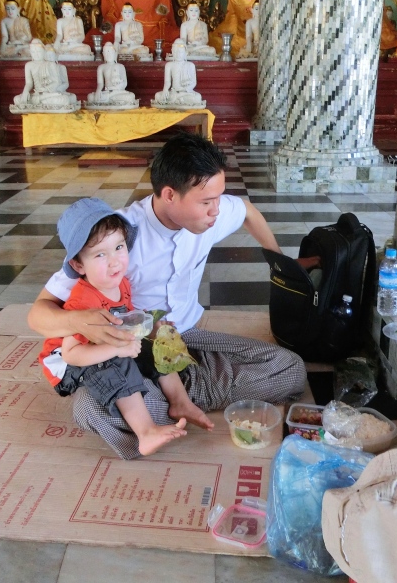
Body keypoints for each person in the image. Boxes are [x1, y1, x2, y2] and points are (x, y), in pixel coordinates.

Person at [28, 132, 307, 459]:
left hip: (185, 337)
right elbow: (38, 314)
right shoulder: (114, 238)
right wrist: (80, 321)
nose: (216, 211)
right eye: (206, 202)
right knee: (94, 409)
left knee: (289, 368)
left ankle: (176, 396)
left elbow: (245, 210)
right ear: (170, 195)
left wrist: (281, 262)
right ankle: (171, 395)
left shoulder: (209, 215)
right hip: (135, 347)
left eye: (219, 198)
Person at [39, 198, 216, 456]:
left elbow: (126, 317)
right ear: (78, 265)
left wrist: (154, 327)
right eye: (100, 254)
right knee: (115, 361)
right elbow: (72, 353)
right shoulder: (83, 302)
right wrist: (117, 350)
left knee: (151, 344)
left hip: (102, 343)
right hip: (69, 365)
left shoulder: (120, 283)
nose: (114, 261)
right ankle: (145, 432)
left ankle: (180, 402)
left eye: (119, 247)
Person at [13, 39, 78, 109]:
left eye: (38, 51)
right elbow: (29, 83)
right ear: (30, 53)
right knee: (17, 99)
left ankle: (41, 100)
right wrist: (25, 92)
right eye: (33, 52)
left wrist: (46, 90)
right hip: (37, 93)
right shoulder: (28, 65)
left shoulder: (51, 64)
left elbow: (57, 82)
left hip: (49, 92)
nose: (36, 54)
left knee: (64, 99)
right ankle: (41, 100)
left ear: (44, 52)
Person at [152, 41, 204, 107]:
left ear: (186, 53)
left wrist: (184, 90)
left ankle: (177, 99)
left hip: (186, 92)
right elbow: (167, 82)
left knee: (197, 97)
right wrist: (165, 90)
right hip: (174, 91)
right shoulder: (169, 65)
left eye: (181, 52)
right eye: (175, 52)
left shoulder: (190, 65)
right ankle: (178, 99)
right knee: (158, 95)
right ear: (172, 52)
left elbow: (194, 83)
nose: (178, 54)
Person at [87, 42, 138, 108]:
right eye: (106, 52)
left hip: (117, 92)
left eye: (110, 52)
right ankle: (113, 101)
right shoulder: (101, 67)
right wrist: (98, 91)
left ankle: (110, 101)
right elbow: (100, 83)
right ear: (103, 54)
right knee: (90, 97)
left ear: (115, 53)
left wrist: (118, 87)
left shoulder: (120, 66)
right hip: (107, 92)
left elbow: (125, 83)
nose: (108, 54)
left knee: (131, 96)